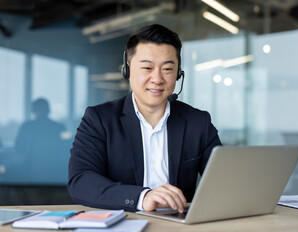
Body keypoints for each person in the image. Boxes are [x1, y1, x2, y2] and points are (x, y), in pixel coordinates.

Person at [68, 24, 222, 213]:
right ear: (127, 70)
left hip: (179, 227)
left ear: (178, 74)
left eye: (167, 69)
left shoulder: (198, 122)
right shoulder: (99, 119)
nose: (157, 78)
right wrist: (142, 197)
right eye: (147, 67)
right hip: (122, 223)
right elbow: (81, 181)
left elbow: (224, 180)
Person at [15, 98, 67, 183]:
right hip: (55, 168)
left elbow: (18, 147)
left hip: (30, 168)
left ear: (33, 111)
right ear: (48, 110)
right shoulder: (59, 127)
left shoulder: (26, 127)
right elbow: (66, 146)